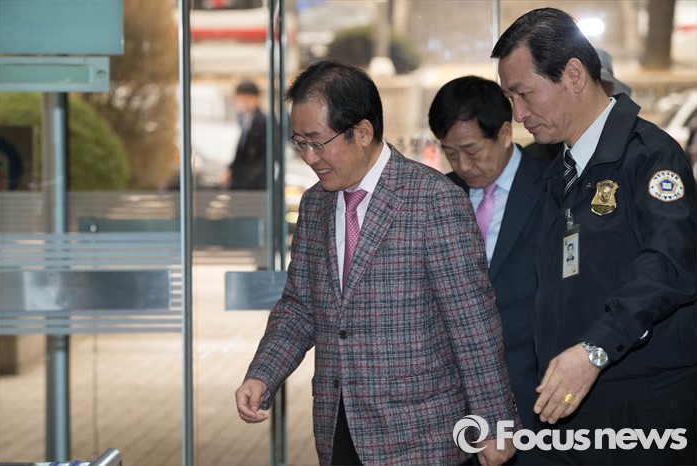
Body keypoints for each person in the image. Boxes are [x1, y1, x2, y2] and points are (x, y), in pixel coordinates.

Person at [235, 60, 519, 465]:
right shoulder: (315, 205)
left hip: (422, 437)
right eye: (300, 143)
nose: (309, 157)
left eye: (318, 142)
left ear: (363, 132)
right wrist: (263, 373)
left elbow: (472, 322)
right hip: (338, 429)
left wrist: (494, 424)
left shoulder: (433, 199)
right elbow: (299, 306)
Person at [492, 7, 696, 465]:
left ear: (574, 75)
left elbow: (668, 266)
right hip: (574, 406)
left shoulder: (650, 157)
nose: (519, 114)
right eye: (510, 98)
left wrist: (594, 349)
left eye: (524, 94)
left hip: (643, 410)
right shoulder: (562, 170)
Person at [428, 75, 548, 465]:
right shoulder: (437, 196)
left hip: (531, 396)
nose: (463, 166)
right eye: (450, 153)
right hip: (449, 408)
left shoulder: (554, 190)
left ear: (505, 133)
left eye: (471, 150)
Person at [525, 47, 632, 162]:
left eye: (598, 86)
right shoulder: (537, 155)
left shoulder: (633, 147)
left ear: (611, 90)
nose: (590, 94)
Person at [225, 80, 267, 190]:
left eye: (247, 98)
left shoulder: (263, 122)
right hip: (243, 184)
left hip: (254, 186)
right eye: (240, 98)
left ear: (256, 99)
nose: (243, 102)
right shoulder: (243, 120)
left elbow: (264, 158)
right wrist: (230, 170)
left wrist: (246, 179)